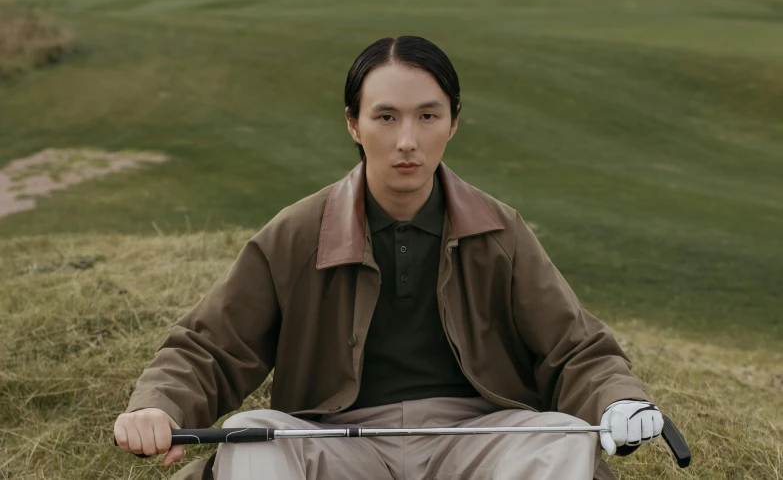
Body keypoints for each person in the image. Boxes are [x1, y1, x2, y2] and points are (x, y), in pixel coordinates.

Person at [114, 35, 664, 480]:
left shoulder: (502, 231)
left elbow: (576, 349)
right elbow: (210, 346)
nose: (407, 140)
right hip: (334, 441)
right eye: (386, 117)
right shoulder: (297, 232)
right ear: (353, 123)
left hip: (476, 441)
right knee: (255, 431)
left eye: (427, 116)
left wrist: (618, 400)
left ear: (453, 123)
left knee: (560, 436)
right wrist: (161, 406)